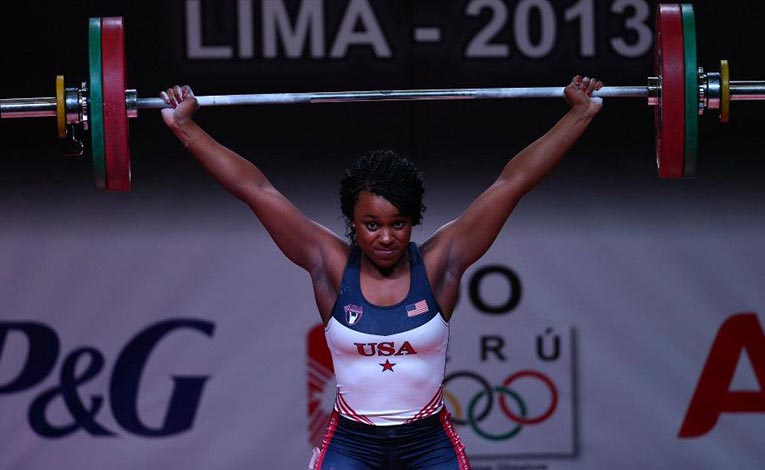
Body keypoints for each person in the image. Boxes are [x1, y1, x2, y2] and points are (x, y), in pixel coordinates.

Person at [160, 75, 603, 470]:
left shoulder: (441, 262)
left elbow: (512, 183)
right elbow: (256, 190)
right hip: (351, 446)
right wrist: (185, 127)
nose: (386, 238)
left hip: (429, 444)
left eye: (398, 224)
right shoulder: (328, 265)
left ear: (414, 221)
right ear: (352, 223)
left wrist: (579, 116)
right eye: (372, 225)